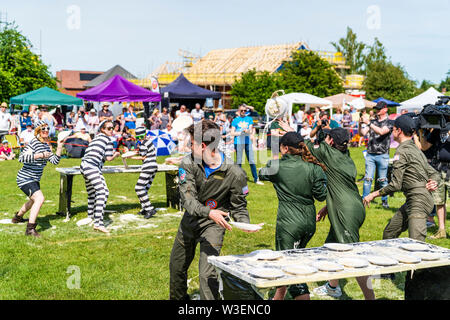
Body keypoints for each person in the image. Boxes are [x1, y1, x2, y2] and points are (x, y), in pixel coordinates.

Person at [279, 120, 375, 299]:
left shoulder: (327, 153)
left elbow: (304, 145)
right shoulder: (345, 155)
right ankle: (333, 287)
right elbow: (341, 186)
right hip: (352, 205)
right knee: (332, 248)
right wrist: (328, 206)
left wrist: (291, 130)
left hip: (346, 211)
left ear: (330, 141)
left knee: (354, 258)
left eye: (328, 138)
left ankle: (371, 297)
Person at [169, 120, 259, 300]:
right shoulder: (188, 163)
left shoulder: (235, 173)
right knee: (177, 267)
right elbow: (188, 201)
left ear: (203, 146)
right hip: (191, 221)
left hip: (214, 226)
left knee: (207, 274)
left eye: (191, 143)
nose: (188, 147)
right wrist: (209, 212)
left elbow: (239, 205)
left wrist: (244, 223)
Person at [259, 132, 327, 300]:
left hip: (289, 222)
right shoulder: (314, 167)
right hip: (309, 221)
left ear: (285, 148)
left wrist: (275, 157)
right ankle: (278, 297)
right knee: (293, 260)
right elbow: (321, 195)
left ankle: (301, 295)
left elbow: (261, 173)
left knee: (289, 266)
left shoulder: (276, 166)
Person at [364, 115, 440, 242]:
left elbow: (395, 185)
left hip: (419, 202)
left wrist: (373, 195)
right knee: (389, 232)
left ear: (398, 131)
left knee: (417, 243)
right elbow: (434, 173)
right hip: (413, 199)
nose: (392, 131)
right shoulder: (414, 147)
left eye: (393, 129)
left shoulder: (403, 151)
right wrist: (434, 180)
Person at [12, 120, 66, 237]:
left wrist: (59, 147)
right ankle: (30, 229)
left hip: (34, 179)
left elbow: (54, 161)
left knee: (33, 200)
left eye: (47, 129)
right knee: (39, 199)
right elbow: (21, 158)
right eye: (43, 129)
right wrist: (40, 155)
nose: (46, 131)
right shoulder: (34, 143)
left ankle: (17, 217)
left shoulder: (45, 145)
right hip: (25, 178)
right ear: (38, 131)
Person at [80, 120, 120, 234]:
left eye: (113, 128)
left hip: (83, 166)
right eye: (109, 128)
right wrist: (116, 154)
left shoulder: (96, 138)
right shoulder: (108, 140)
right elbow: (109, 158)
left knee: (92, 192)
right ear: (102, 129)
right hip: (91, 167)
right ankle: (98, 223)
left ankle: (91, 216)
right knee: (103, 192)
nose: (112, 130)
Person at [415, 127, 449, 239]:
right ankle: (441, 230)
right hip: (438, 168)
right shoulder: (437, 130)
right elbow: (424, 147)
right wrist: (419, 132)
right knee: (439, 201)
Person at [359, 101, 394, 209]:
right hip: (370, 154)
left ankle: (384, 201)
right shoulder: (373, 121)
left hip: (382, 154)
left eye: (379, 108)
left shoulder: (390, 122)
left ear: (385, 109)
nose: (377, 110)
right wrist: (360, 124)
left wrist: (369, 123)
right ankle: (365, 199)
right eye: (376, 109)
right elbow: (362, 133)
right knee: (367, 179)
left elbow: (381, 132)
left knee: (382, 179)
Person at [231, 104, 263, 185]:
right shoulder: (235, 120)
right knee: (239, 162)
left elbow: (251, 130)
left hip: (247, 142)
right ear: (239, 111)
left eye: (244, 110)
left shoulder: (249, 119)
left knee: (252, 161)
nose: (243, 112)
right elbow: (232, 132)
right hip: (238, 142)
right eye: (241, 110)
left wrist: (247, 131)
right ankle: (239, 180)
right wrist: (239, 133)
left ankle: (256, 179)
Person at [133, 126, 158, 219]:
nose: (139, 139)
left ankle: (150, 209)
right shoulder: (149, 142)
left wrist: (129, 157)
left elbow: (143, 157)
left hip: (148, 166)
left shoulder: (143, 143)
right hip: (153, 166)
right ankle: (144, 208)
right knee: (144, 189)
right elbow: (144, 153)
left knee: (138, 188)